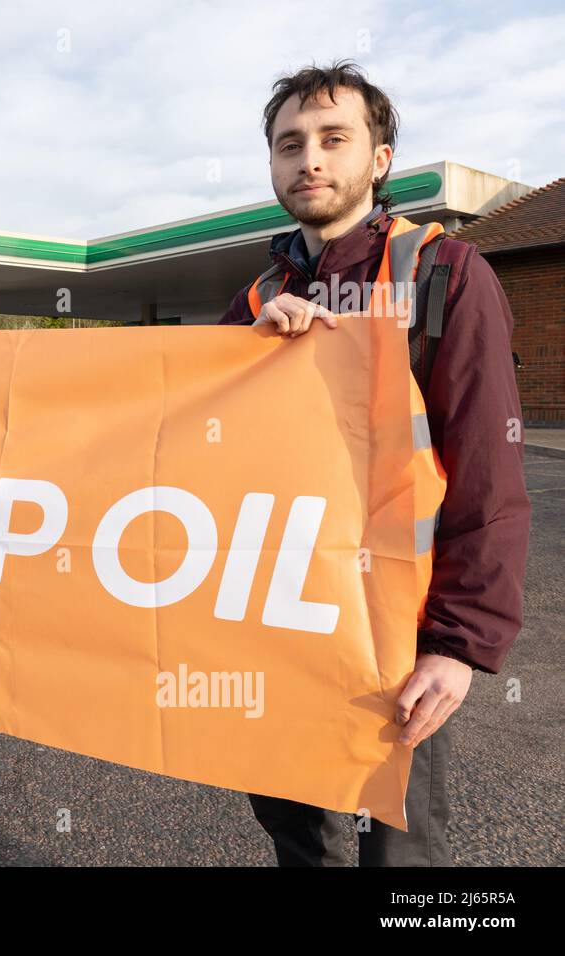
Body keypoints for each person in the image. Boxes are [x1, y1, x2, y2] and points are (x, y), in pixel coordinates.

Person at [219, 61, 531, 865]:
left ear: (380, 159)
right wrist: (242, 359)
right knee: (294, 833)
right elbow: (194, 450)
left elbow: (487, 472)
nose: (310, 160)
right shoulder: (253, 301)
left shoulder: (446, 275)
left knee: (397, 853)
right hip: (275, 620)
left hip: (395, 634)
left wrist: (458, 644)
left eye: (333, 138)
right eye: (290, 144)